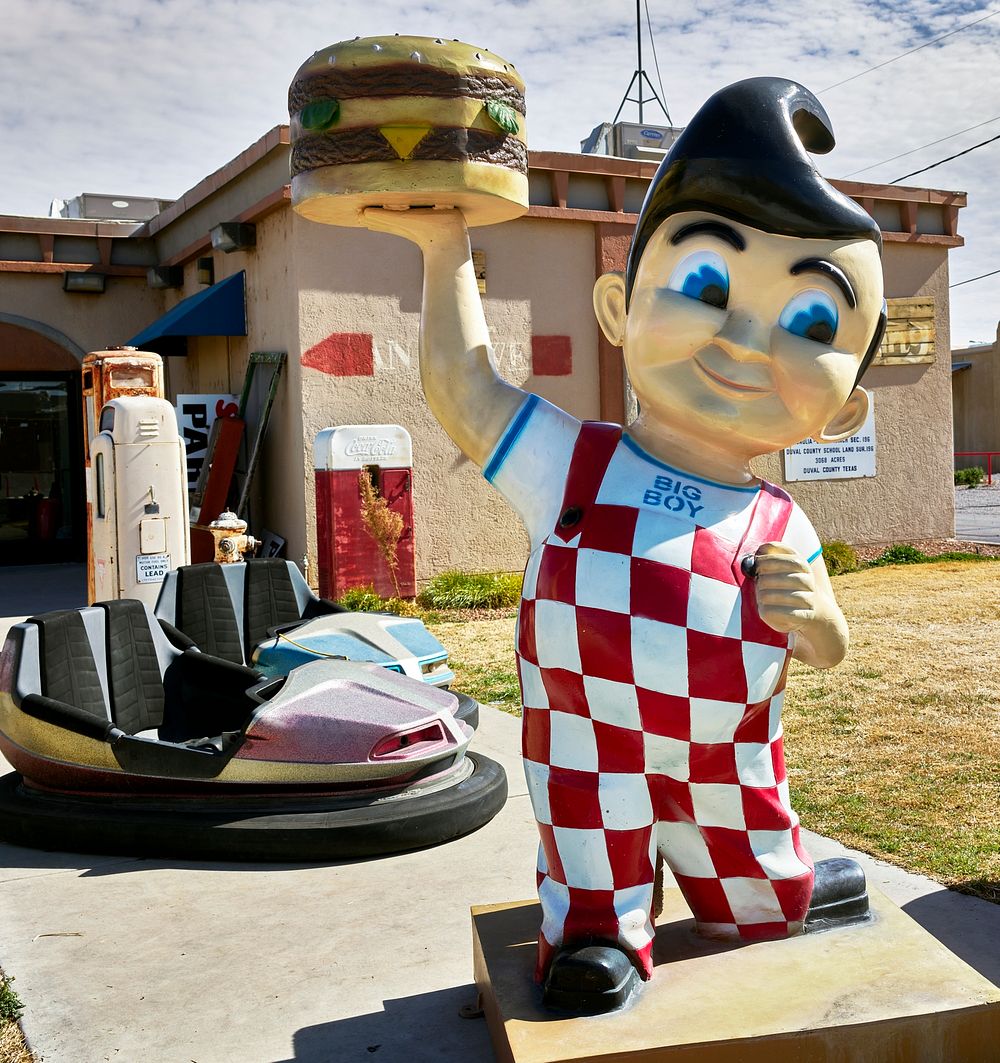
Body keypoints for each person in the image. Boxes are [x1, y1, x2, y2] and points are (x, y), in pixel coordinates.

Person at [364, 76, 886, 1014]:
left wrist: (819, 622)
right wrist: (446, 247)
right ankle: (600, 929)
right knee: (594, 845)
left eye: (810, 321)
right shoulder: (574, 462)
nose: (744, 338)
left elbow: (830, 645)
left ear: (843, 407)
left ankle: (782, 891)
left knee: (758, 893)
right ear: (617, 309)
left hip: (732, 752)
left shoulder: (782, 520)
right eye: (704, 284)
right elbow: (465, 387)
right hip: (592, 740)